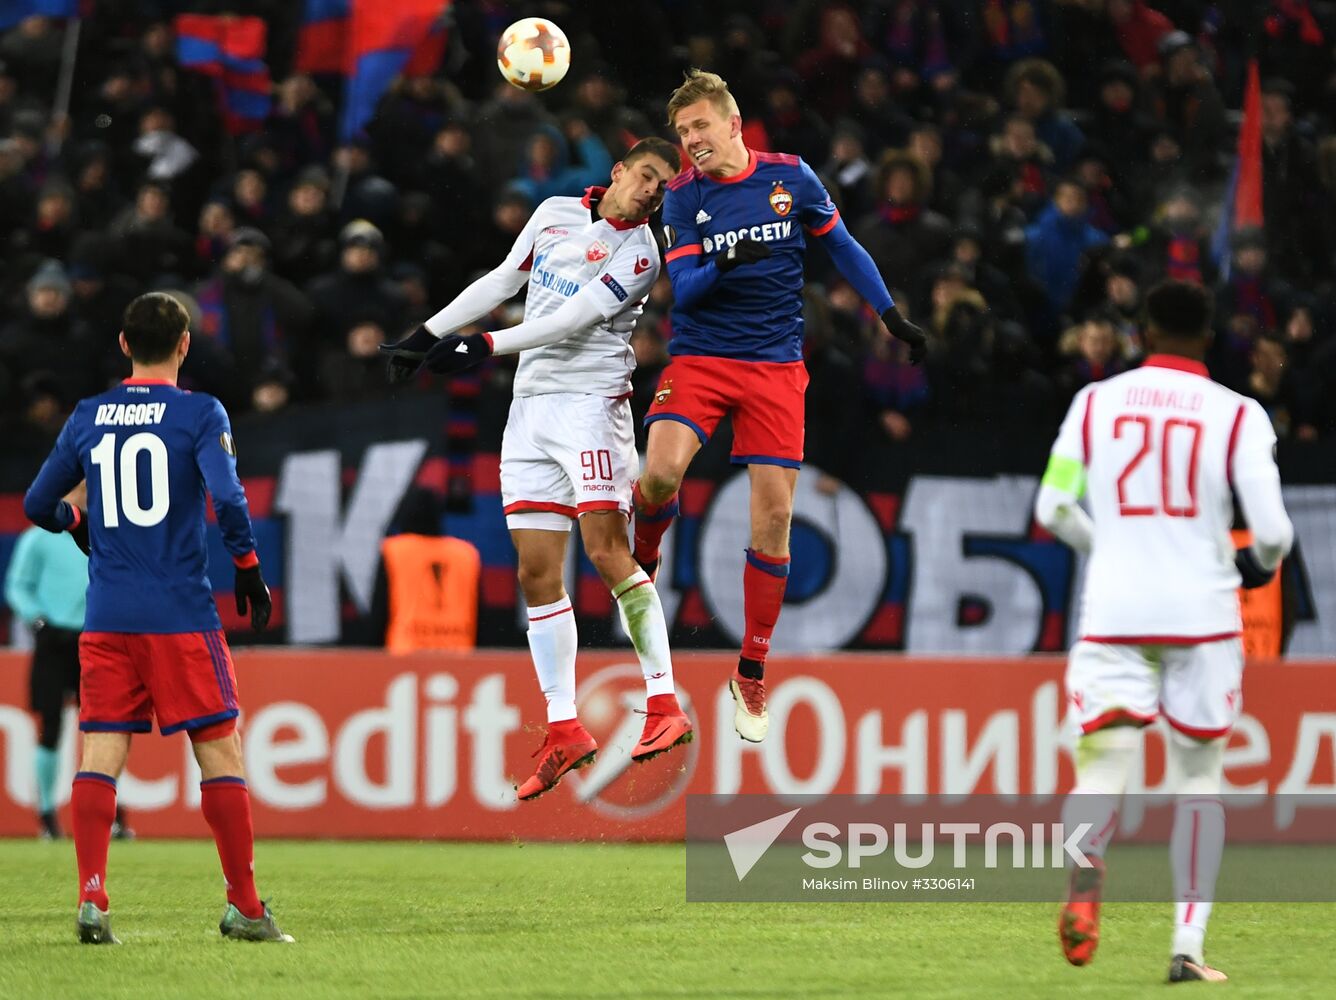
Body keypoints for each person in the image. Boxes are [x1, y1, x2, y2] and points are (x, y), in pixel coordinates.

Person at [379, 137, 692, 801]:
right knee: (535, 572)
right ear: (617, 172)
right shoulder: (553, 211)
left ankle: (664, 705)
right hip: (530, 413)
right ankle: (564, 728)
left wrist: (485, 344)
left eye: (662, 188)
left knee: (608, 554)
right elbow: (503, 279)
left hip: (590, 410)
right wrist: (426, 335)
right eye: (644, 177)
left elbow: (571, 320)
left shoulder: (640, 252)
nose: (650, 193)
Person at [631, 70, 925, 743]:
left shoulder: (792, 176)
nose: (691, 141)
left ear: (734, 124)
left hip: (773, 368)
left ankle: (752, 670)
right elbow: (690, 288)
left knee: (776, 519)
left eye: (700, 126)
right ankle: (643, 553)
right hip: (701, 358)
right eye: (682, 133)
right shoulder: (682, 197)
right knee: (658, 477)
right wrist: (739, 251)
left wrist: (890, 315)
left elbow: (843, 246)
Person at [1034, 281, 1293, 982]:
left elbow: (1054, 505)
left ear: (1143, 332)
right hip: (1203, 616)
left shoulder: (1093, 403)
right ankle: (1187, 948)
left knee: (1103, 764)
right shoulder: (1238, 414)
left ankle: (1084, 884)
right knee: (1200, 778)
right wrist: (1252, 566)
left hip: (1115, 612)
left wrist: (1109, 551)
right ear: (1209, 339)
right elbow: (1273, 532)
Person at [22, 292, 290, 945]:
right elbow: (227, 497)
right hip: (180, 613)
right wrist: (249, 568)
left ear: (122, 345)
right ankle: (246, 908)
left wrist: (77, 521)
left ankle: (92, 899)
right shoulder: (200, 412)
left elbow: (37, 503)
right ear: (185, 345)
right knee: (219, 751)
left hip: (108, 615)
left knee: (102, 751)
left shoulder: (88, 416)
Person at [4, 506, 132, 841]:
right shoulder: (38, 538)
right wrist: (37, 619)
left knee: (104, 727)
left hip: (95, 638)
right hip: (53, 642)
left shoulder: (103, 535)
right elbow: (17, 586)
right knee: (51, 725)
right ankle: (47, 815)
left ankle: (110, 813)